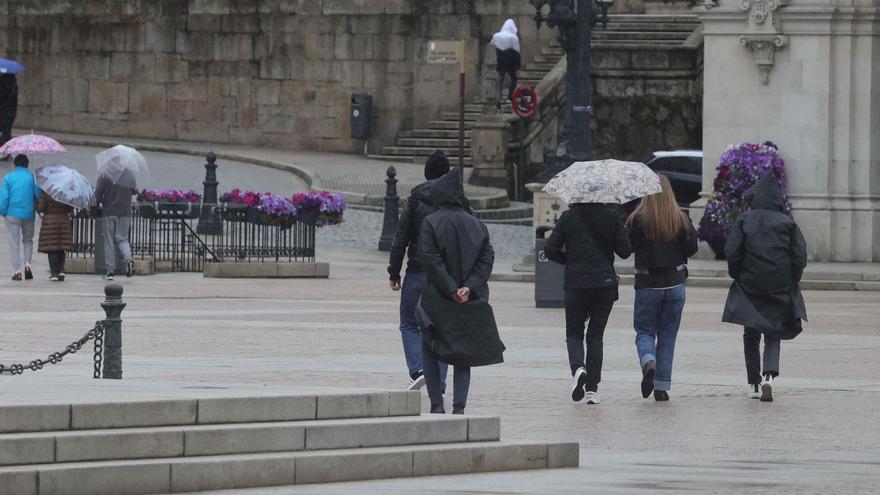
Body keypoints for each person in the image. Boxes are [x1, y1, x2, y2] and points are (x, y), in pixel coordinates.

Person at [416, 170, 504, 415]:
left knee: (429, 346)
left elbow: (430, 259)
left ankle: (436, 403)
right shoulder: (476, 224)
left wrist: (450, 288)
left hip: (437, 297)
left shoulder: (431, 223)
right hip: (468, 299)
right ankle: (459, 406)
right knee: (463, 353)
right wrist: (469, 286)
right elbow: (487, 257)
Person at [723, 173, 807, 402]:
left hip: (750, 283)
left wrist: (737, 274)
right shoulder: (788, 223)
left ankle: (754, 383)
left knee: (750, 333)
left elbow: (732, 252)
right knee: (773, 332)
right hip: (778, 284)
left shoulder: (744, 220)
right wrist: (793, 279)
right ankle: (769, 375)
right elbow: (800, 255)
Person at [545, 202, 632, 405]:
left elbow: (550, 248)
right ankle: (592, 390)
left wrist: (570, 261)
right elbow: (625, 251)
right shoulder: (612, 217)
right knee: (596, 336)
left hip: (576, 284)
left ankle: (578, 369)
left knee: (574, 332)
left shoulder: (568, 217)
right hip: (604, 284)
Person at [626, 175, 698, 401]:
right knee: (668, 335)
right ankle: (661, 387)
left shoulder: (637, 219)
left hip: (648, 282)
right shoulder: (680, 218)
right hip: (675, 282)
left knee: (644, 331)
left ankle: (648, 360)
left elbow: (627, 248)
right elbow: (692, 247)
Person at [388, 150, 450, 391]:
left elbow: (399, 239)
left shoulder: (414, 201)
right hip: (445, 275)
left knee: (409, 323)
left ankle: (418, 370)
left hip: (416, 270)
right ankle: (440, 380)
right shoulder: (455, 201)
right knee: (442, 327)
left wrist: (394, 272)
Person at [0, 155, 40, 280]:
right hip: (28, 214)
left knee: (14, 243)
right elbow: (37, 196)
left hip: (12, 214)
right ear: (27, 164)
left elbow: (4, 198)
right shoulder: (32, 178)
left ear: (15, 165)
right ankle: (27, 264)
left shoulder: (8, 178)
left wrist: (4, 212)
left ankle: (17, 271)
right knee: (28, 241)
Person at [95, 167, 135, 280]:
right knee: (123, 239)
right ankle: (128, 259)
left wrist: (94, 208)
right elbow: (134, 190)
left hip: (109, 211)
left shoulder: (105, 173)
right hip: (125, 211)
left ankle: (110, 271)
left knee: (109, 241)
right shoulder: (129, 173)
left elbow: (97, 194)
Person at [37, 195, 74, 282]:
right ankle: (61, 270)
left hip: (50, 221)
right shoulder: (65, 192)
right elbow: (70, 208)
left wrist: (36, 203)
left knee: (52, 248)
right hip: (63, 221)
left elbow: (41, 207)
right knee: (61, 247)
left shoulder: (47, 191)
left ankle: (54, 272)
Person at [490, 19, 521, 109]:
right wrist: (518, 67)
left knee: (499, 81)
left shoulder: (496, 36)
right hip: (511, 61)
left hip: (500, 61)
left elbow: (491, 46)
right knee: (513, 79)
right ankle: (509, 98)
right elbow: (517, 53)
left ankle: (497, 102)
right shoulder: (514, 37)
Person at [0, 74, 17, 160]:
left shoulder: (3, 82)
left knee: (5, 133)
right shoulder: (14, 83)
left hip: (4, 112)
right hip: (10, 113)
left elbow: (4, 98)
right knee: (7, 133)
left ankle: (5, 152)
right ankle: (7, 153)